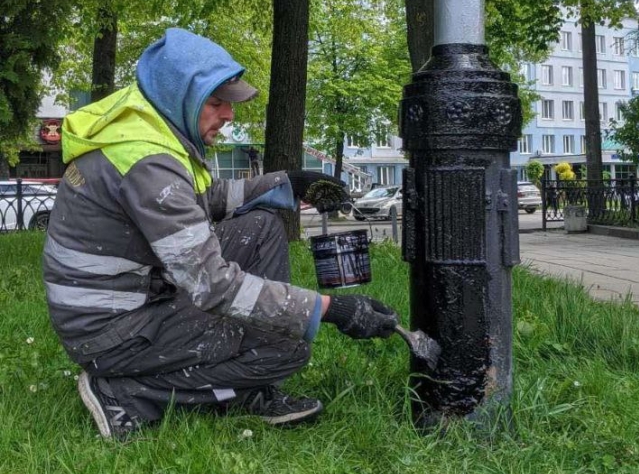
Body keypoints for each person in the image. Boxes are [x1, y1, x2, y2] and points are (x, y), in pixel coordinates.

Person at [43, 28, 399, 438]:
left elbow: (199, 199)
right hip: (114, 330)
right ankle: (128, 391)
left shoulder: (142, 129)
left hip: (123, 300)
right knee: (285, 347)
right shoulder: (149, 164)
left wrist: (287, 184)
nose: (228, 115)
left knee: (261, 227)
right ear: (180, 96)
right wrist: (330, 308)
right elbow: (213, 285)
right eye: (215, 103)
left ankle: (242, 382)